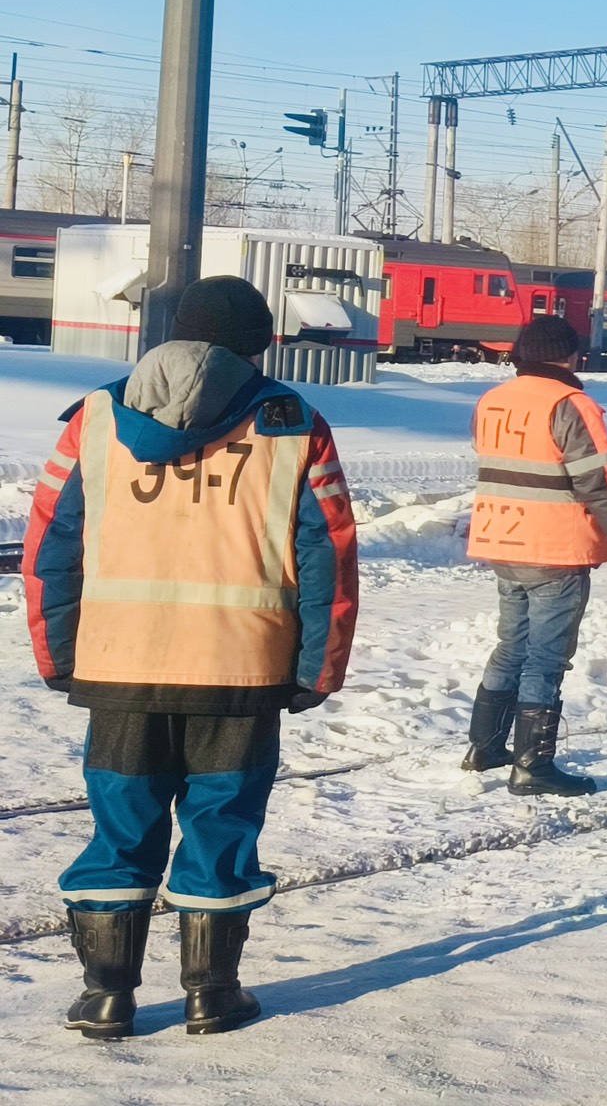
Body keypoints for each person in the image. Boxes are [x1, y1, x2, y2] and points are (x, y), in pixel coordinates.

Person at [22, 276, 359, 1039]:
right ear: (260, 345)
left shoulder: (97, 417)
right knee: (222, 825)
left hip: (121, 668)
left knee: (121, 828)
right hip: (240, 671)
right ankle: (212, 992)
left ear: (173, 331)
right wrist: (318, 665)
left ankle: (106, 995)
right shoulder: (291, 422)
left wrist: (60, 653)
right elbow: (328, 554)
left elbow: (50, 546)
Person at [463, 314, 607, 796]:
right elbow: (598, 484)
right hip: (554, 549)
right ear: (570, 357)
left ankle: (484, 746)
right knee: (545, 658)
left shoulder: (492, 400)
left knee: (511, 646)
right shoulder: (570, 404)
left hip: (500, 539)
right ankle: (532, 766)